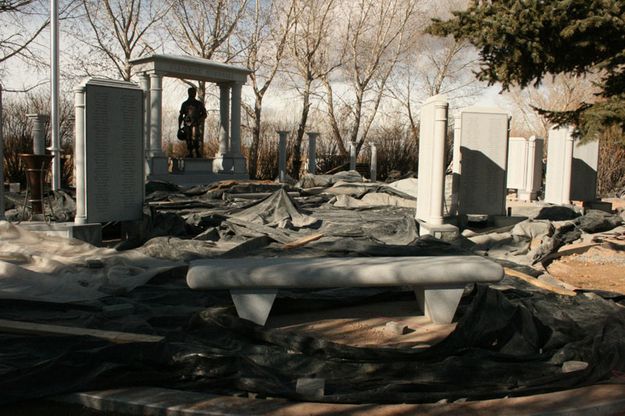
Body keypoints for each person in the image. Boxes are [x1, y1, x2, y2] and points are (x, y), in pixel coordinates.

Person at [178, 87, 207, 158]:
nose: (192, 94)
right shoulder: (185, 104)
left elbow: (204, 114)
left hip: (196, 124)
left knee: (196, 138)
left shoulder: (199, 104)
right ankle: (190, 152)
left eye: (194, 92)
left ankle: (197, 152)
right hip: (187, 124)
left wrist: (199, 120)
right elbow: (181, 115)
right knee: (188, 138)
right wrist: (179, 127)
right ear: (188, 93)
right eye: (191, 92)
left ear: (195, 93)